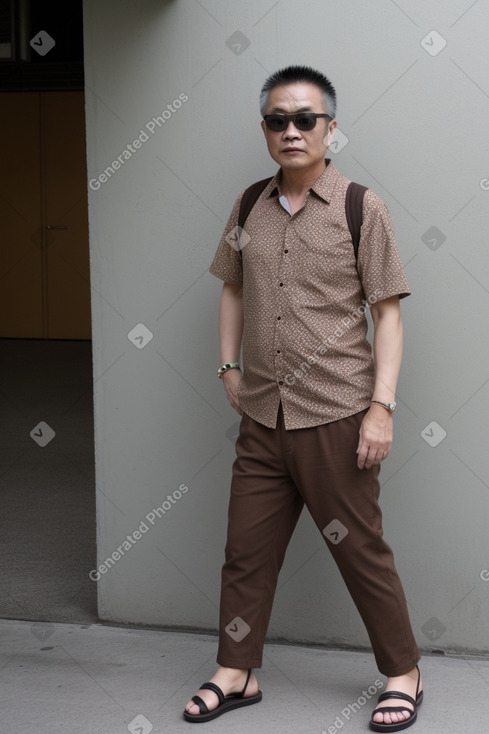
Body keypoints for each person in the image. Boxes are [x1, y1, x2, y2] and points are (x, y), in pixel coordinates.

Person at [184, 65, 423, 731]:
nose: (290, 131)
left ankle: (403, 672)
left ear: (329, 128)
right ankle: (236, 670)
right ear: (263, 129)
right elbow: (231, 286)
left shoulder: (359, 207)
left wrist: (381, 407)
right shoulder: (247, 206)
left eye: (304, 119)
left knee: (361, 552)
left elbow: (389, 314)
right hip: (261, 415)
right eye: (276, 120)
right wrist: (228, 366)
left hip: (336, 419)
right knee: (246, 550)